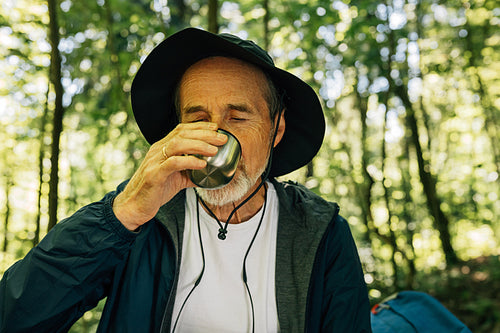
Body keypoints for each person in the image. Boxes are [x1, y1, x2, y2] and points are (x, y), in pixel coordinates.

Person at [0, 28, 370, 332]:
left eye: (237, 117)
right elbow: (14, 319)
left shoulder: (321, 233)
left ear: (277, 129)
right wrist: (121, 215)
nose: (215, 138)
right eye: (197, 118)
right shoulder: (141, 218)